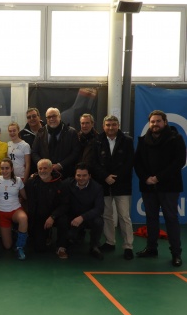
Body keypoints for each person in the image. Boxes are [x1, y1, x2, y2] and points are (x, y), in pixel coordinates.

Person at [134, 110, 186, 267]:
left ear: (165, 122)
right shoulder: (143, 140)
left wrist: (158, 177)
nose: (155, 124)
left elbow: (178, 162)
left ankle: (176, 253)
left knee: (171, 219)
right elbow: (138, 162)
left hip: (169, 187)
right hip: (148, 186)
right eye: (152, 122)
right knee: (151, 218)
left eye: (158, 121)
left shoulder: (175, 139)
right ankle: (151, 248)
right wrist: (146, 178)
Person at [91, 115, 134, 260]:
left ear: (118, 125)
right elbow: (94, 162)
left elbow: (129, 162)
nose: (111, 127)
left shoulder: (127, 141)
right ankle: (110, 242)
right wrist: (105, 177)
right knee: (107, 215)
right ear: (103, 126)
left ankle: (128, 246)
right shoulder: (97, 141)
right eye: (108, 125)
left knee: (124, 216)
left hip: (122, 184)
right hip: (103, 184)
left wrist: (115, 178)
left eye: (114, 124)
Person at [25, 159, 70, 258]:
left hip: (55, 216)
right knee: (39, 249)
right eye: (40, 168)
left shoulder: (60, 184)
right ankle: (46, 236)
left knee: (63, 220)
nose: (42, 170)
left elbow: (65, 205)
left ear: (51, 169)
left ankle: (61, 247)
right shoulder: (31, 182)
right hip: (39, 217)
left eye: (45, 168)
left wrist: (53, 216)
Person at [0, 158, 28, 260]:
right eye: (2, 168)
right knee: (7, 246)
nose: (4, 171)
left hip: (15, 210)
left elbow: (25, 196)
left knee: (23, 218)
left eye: (7, 168)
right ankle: (16, 232)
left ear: (12, 168)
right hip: (2, 213)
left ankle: (20, 247)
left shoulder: (18, 180)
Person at [66, 162, 104, 260]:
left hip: (88, 218)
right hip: (72, 218)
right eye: (78, 175)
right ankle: (74, 238)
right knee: (69, 234)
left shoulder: (97, 188)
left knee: (98, 222)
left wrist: (82, 217)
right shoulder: (67, 183)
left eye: (84, 175)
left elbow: (99, 209)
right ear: (75, 175)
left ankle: (94, 246)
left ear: (89, 176)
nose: (81, 178)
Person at [31, 107, 81, 179]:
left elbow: (76, 152)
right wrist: (44, 166)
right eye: (49, 117)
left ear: (59, 116)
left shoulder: (71, 132)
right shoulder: (40, 132)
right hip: (45, 176)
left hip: (66, 174)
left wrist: (61, 165)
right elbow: (34, 152)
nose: (51, 119)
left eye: (54, 116)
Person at [19, 108, 44, 176]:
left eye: (34, 116)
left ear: (39, 117)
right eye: (29, 117)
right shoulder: (22, 134)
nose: (32, 119)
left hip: (46, 168)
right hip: (31, 170)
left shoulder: (48, 130)